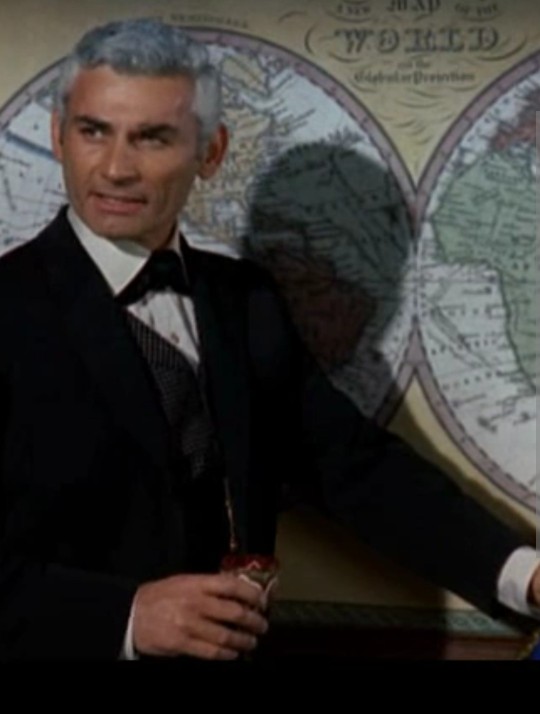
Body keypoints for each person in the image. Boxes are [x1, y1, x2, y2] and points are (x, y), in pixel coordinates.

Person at [0, 17, 538, 662]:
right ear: (58, 137)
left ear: (211, 153)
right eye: (93, 132)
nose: (115, 168)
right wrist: (127, 618)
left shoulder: (246, 301)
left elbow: (353, 468)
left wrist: (526, 573)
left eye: (152, 138)